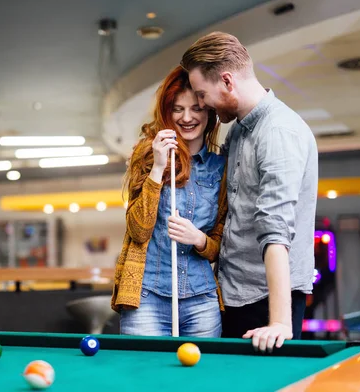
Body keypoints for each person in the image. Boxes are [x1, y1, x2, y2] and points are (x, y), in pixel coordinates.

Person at [180, 32, 318, 352]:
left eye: (202, 94)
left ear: (227, 81)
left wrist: (280, 322)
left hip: (265, 302)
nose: (200, 105)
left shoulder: (278, 132)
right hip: (233, 294)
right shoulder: (240, 129)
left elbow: (275, 230)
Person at [111, 65, 228, 337]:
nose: (187, 117)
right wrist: (157, 169)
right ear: (167, 112)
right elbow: (138, 230)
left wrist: (199, 239)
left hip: (201, 301)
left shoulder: (220, 167)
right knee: (143, 377)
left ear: (209, 112)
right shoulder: (147, 155)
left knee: (200, 379)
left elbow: (220, 244)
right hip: (146, 299)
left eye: (196, 109)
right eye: (178, 109)